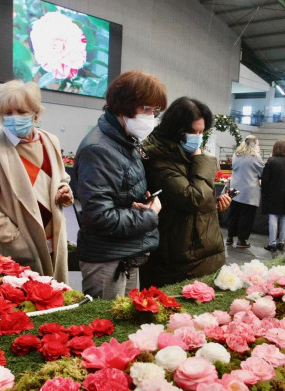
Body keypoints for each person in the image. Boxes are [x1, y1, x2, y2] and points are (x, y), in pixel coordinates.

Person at [0, 80, 73, 283]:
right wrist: (15, 239)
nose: (14, 118)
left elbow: (61, 178)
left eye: (21, 111)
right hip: (22, 249)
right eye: (7, 113)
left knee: (57, 300)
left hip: (55, 241)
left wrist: (64, 190)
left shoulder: (50, 141)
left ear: (36, 113)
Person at [74, 70, 166, 298]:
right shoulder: (99, 149)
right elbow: (99, 217)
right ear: (123, 105)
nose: (150, 117)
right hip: (107, 259)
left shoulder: (124, 142)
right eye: (145, 109)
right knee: (105, 327)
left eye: (154, 111)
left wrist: (139, 202)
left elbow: (117, 196)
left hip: (125, 252)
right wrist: (150, 215)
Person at [141, 96, 231, 287]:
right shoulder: (161, 159)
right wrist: (201, 158)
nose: (197, 138)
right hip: (181, 257)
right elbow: (193, 198)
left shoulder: (185, 155)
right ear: (176, 129)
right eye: (192, 132)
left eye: (201, 132)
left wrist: (215, 204)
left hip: (202, 251)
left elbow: (199, 197)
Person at [261, 139, 285, 251]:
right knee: (284, 218)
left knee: (273, 217)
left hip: (273, 194)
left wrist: (265, 192)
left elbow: (265, 179)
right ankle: (281, 242)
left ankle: (272, 243)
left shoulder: (271, 161)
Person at [227, 135, 264, 248]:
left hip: (235, 187)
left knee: (234, 213)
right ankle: (241, 240)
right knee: (246, 216)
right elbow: (262, 173)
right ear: (254, 144)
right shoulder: (255, 157)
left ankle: (229, 237)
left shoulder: (236, 154)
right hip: (249, 190)